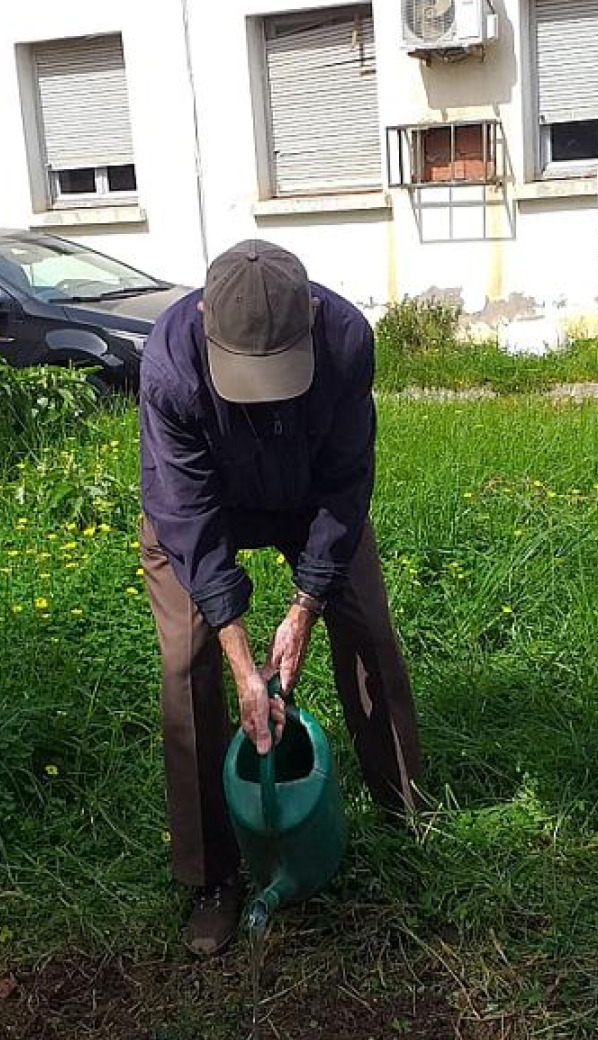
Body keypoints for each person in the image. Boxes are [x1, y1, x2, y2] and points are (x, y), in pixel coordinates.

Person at [139, 240, 422, 957]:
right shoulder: (171, 364)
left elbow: (345, 482)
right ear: (204, 319)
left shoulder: (346, 339)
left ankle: (407, 814)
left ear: (312, 317)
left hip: (307, 499)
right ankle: (211, 875)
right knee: (187, 660)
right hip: (207, 509)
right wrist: (242, 662)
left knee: (368, 628)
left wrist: (305, 604)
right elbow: (190, 523)